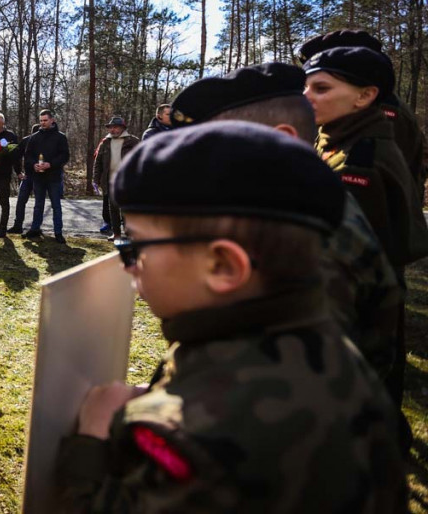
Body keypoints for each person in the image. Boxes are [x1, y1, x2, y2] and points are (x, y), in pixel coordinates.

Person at [57, 122, 406, 512]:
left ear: (224, 266)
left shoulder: (191, 439)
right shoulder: (327, 345)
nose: (128, 266)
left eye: (135, 245)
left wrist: (93, 434)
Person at [169, 62, 403, 405]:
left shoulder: (302, 244)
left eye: (210, 145)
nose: (196, 162)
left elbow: (281, 401)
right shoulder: (300, 208)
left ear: (279, 140)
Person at [301, 30, 428, 273]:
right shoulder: (338, 121)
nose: (307, 96)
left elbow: (384, 174)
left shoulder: (384, 111)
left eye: (322, 86)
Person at [22, 110, 69, 243]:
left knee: (56, 205)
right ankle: (35, 228)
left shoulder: (60, 137)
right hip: (38, 177)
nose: (42, 123)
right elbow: (28, 156)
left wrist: (51, 164)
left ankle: (58, 232)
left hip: (54, 177)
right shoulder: (34, 137)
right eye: (41, 120)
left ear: (52, 120)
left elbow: (65, 156)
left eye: (45, 120)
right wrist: (33, 165)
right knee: (38, 205)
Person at [92, 117, 140, 240]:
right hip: (110, 181)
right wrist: (95, 180)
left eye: (116, 127)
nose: (113, 130)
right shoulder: (105, 142)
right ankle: (116, 234)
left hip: (127, 182)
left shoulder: (133, 142)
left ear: (122, 128)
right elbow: (98, 163)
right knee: (113, 209)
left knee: (127, 209)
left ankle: (130, 234)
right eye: (111, 127)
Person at [7, 124, 40, 235]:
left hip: (40, 176)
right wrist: (18, 172)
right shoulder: (26, 141)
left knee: (38, 202)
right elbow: (17, 156)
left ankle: (35, 227)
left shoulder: (44, 141)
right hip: (28, 175)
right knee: (21, 201)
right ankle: (18, 225)